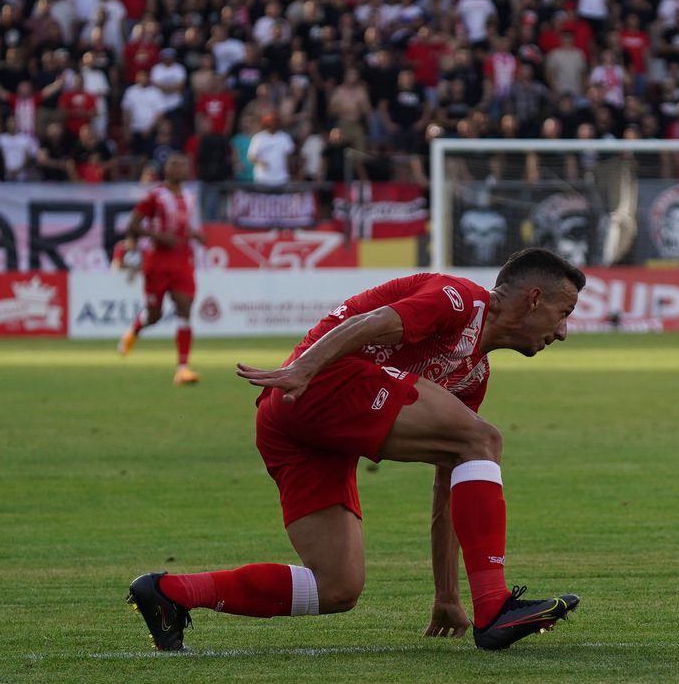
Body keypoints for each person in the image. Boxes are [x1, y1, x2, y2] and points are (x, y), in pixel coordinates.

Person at [127, 248, 585, 651]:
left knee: (337, 587)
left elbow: (451, 482)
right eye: (564, 312)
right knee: (484, 439)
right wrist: (303, 369)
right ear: (533, 299)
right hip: (319, 382)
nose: (563, 331)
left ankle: (171, 593)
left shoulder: (474, 375)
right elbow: (374, 322)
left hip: (290, 423)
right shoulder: (461, 299)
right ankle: (495, 606)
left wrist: (447, 593)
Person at [117, 154, 205, 385]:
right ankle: (134, 329)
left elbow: (184, 225)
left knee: (185, 306)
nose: (178, 168)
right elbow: (132, 225)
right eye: (174, 165)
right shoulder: (154, 196)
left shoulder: (189, 197)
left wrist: (195, 235)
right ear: (166, 169)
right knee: (154, 315)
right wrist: (158, 237)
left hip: (182, 260)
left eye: (182, 165)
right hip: (157, 261)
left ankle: (183, 368)